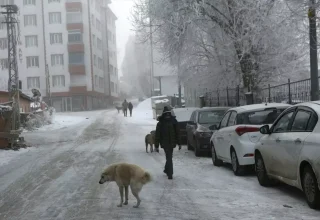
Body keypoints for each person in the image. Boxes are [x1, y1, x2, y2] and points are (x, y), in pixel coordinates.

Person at [155, 106, 181, 180]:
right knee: (169, 157)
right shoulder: (171, 121)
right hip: (169, 143)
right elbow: (177, 133)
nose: (167, 116)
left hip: (166, 143)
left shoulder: (163, 122)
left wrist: (157, 145)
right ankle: (170, 173)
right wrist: (179, 143)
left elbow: (158, 135)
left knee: (169, 157)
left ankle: (167, 170)